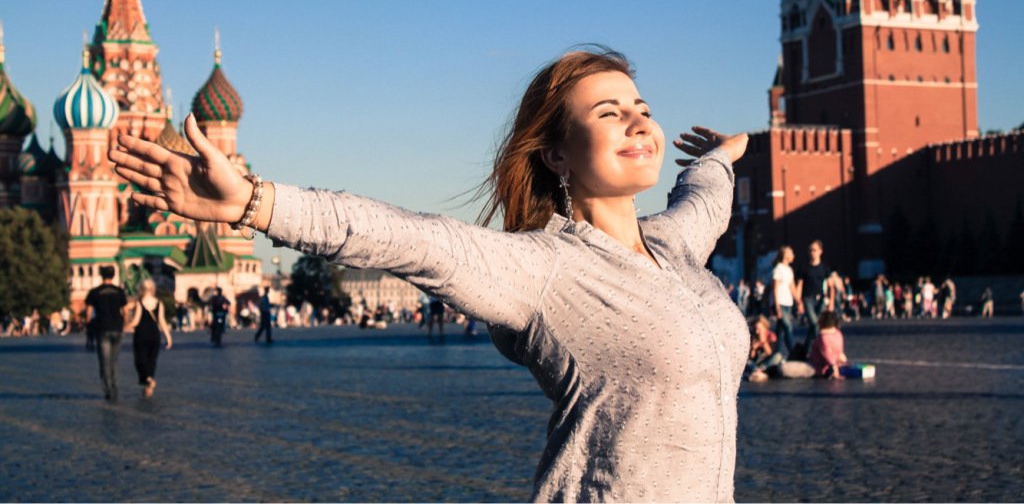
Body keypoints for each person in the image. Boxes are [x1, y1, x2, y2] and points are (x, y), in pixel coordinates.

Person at [110, 48, 750, 501]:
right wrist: (253, 201)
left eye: (641, 107)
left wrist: (720, 157)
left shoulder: (674, 246)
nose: (638, 121)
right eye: (609, 112)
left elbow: (705, 199)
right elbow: (409, 239)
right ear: (556, 154)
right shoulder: (543, 269)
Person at [84, 266, 128, 401]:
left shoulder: (94, 292)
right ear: (113, 275)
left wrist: (89, 326)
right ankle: (114, 386)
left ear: (101, 275)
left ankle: (108, 388)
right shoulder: (119, 292)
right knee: (114, 361)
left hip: (102, 329)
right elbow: (125, 311)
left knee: (104, 361)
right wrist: (123, 324)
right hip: (117, 328)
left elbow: (88, 314)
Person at [126, 278, 173, 397]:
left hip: (141, 335)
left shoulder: (139, 303)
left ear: (141, 289)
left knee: (140, 360)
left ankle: (148, 380)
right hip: (154, 334)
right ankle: (148, 387)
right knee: (151, 360)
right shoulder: (159, 303)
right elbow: (162, 321)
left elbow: (136, 321)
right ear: (152, 289)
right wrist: (168, 337)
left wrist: (125, 327)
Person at [796, 240, 828, 347]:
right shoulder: (804, 268)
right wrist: (799, 302)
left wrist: (831, 301)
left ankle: (807, 348)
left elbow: (830, 285)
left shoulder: (824, 267)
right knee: (814, 323)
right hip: (807, 298)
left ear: (820, 251)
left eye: (814, 250)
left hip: (821, 298)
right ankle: (822, 346)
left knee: (817, 325)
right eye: (810, 250)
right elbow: (799, 285)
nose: (812, 252)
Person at [772, 245, 801, 358]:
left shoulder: (789, 270)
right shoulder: (778, 269)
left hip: (788, 303)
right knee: (788, 327)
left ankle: (776, 353)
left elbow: (792, 287)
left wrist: (798, 301)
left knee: (780, 331)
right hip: (780, 302)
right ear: (785, 255)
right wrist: (777, 306)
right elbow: (775, 289)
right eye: (791, 253)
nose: (793, 255)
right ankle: (793, 352)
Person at [807, 310, 848, 379]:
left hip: (819, 366)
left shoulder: (823, 336)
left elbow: (826, 354)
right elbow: (839, 350)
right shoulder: (838, 333)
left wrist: (833, 367)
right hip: (837, 362)